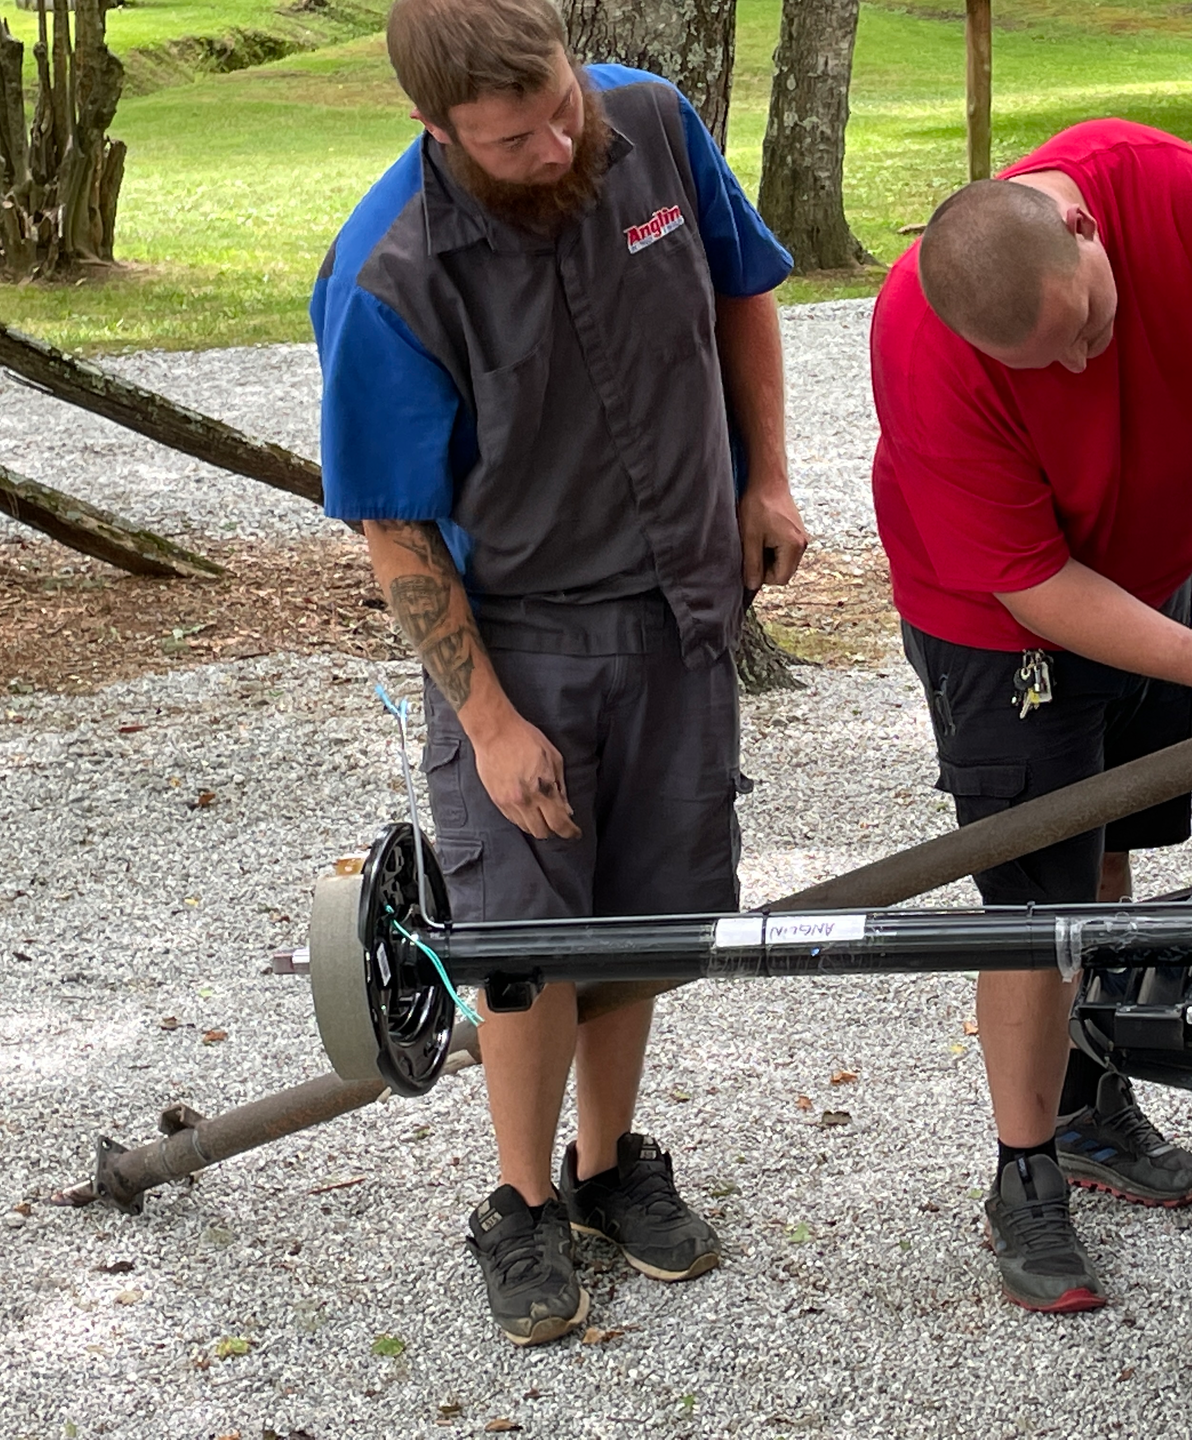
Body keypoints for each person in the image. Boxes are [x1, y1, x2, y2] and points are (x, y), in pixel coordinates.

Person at [310, 0, 806, 1346]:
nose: (555, 142)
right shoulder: (392, 271)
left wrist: (766, 474)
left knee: (643, 924)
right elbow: (396, 529)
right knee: (527, 944)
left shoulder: (644, 118)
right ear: (435, 128)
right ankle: (520, 1204)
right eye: (513, 137)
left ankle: (608, 1169)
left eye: (560, 104)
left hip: (679, 617)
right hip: (522, 644)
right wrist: (486, 721)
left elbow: (739, 289)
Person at [868, 119, 1192, 1313]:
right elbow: (1033, 583)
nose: (1082, 366)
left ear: (1085, 232)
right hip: (1002, 632)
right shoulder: (920, 337)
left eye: (1088, 326)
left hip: (1152, 580)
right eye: (1046, 363)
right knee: (1031, 908)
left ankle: (1089, 1104)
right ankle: (1021, 1170)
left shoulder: (1160, 189)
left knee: (1112, 854)